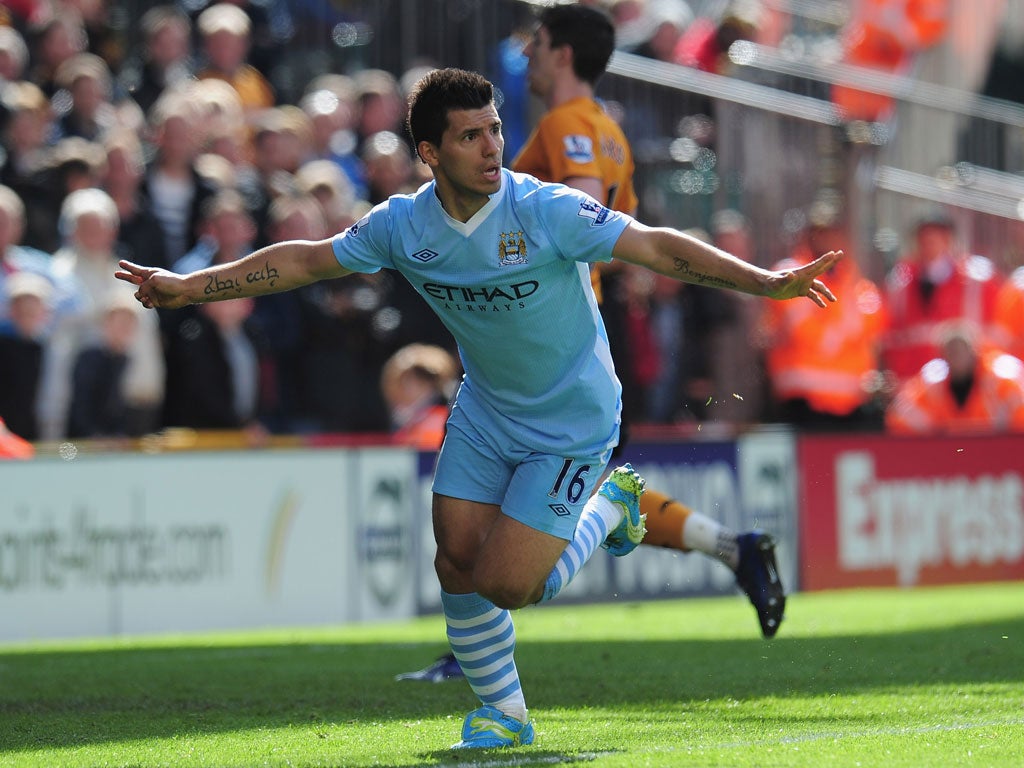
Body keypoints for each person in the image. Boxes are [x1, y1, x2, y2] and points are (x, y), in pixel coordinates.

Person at [115, 67, 839, 749]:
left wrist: (764, 283)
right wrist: (191, 285)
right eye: (471, 135)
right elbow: (304, 260)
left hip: (573, 420)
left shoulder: (545, 209)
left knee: (508, 584)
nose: (492, 146)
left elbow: (653, 247)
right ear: (430, 151)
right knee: (456, 558)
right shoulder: (404, 227)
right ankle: (505, 713)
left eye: (494, 129)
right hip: (487, 410)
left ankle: (614, 506)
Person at [884, 321, 1024, 435]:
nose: (955, 357)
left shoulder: (1001, 378)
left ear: (973, 351)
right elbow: (900, 419)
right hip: (951, 459)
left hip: (998, 457)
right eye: (950, 351)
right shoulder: (933, 382)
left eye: (959, 350)